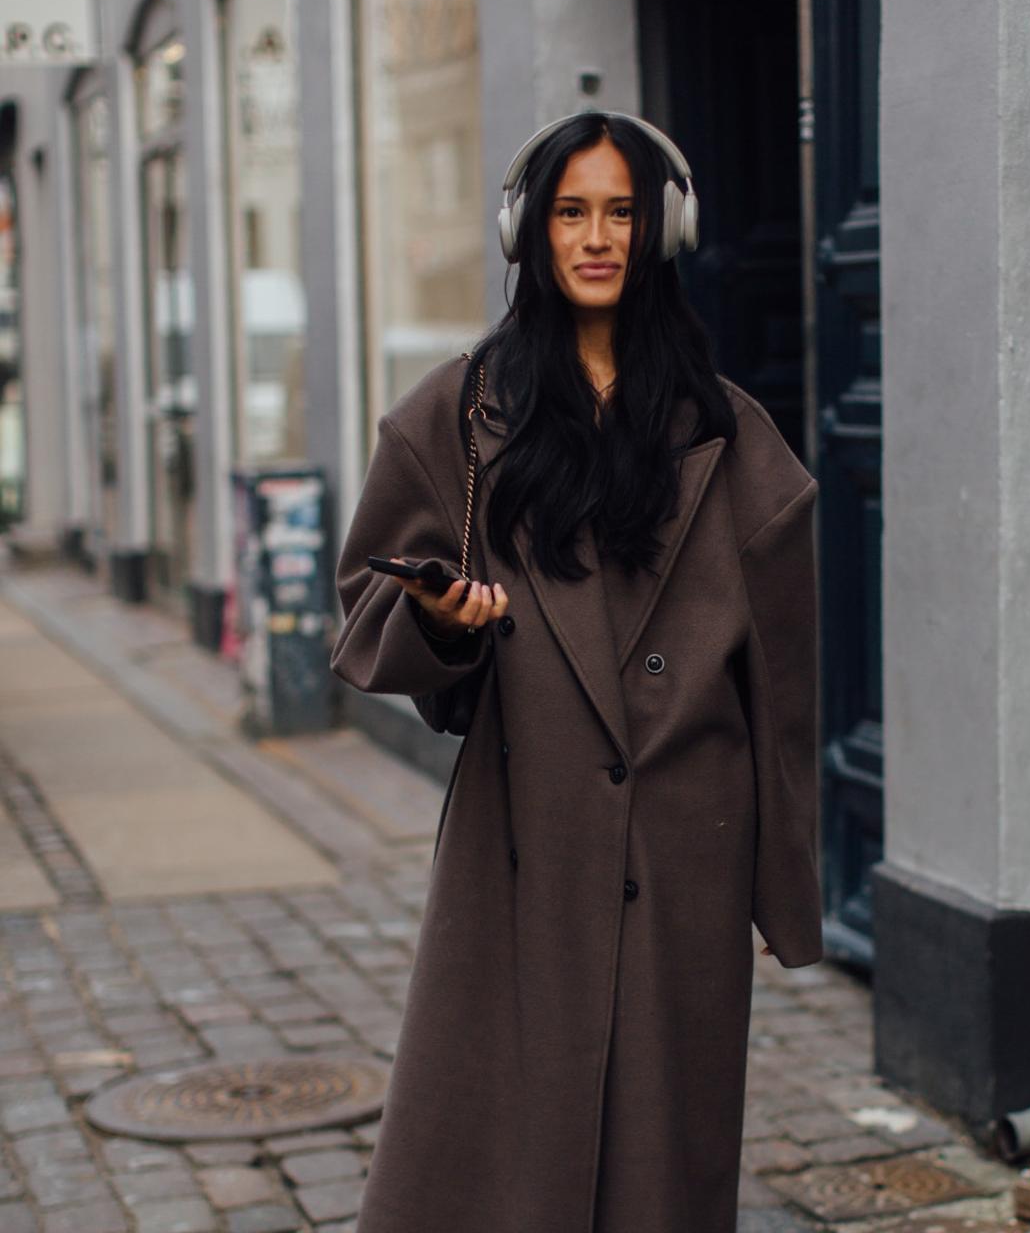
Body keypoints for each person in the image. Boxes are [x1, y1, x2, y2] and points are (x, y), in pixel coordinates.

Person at [330, 110, 823, 1233]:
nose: (596, 236)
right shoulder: (455, 420)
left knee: (664, 1171)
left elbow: (787, 688)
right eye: (570, 210)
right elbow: (363, 610)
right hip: (523, 847)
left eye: (621, 211)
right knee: (489, 1164)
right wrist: (447, 628)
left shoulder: (735, 439)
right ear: (528, 229)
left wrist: (779, 884)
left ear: (662, 230)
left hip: (687, 851)